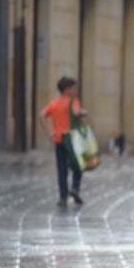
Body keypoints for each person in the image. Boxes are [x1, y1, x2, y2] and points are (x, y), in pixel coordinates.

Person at [39, 76, 85, 208]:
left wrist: (49, 133)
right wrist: (82, 113)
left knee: (62, 169)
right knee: (78, 166)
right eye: (73, 87)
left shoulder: (54, 103)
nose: (75, 90)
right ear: (67, 89)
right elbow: (77, 113)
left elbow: (41, 115)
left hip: (59, 140)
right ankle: (75, 188)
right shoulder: (74, 102)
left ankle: (63, 197)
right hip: (72, 140)